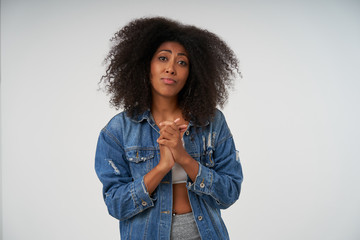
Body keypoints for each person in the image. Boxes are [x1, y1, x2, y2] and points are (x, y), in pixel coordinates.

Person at [95, 17, 243, 240]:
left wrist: (184, 158)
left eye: (182, 62)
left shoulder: (212, 122)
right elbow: (117, 205)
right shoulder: (117, 131)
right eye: (163, 58)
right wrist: (163, 166)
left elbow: (229, 193)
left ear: (193, 73)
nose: (171, 68)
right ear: (146, 65)